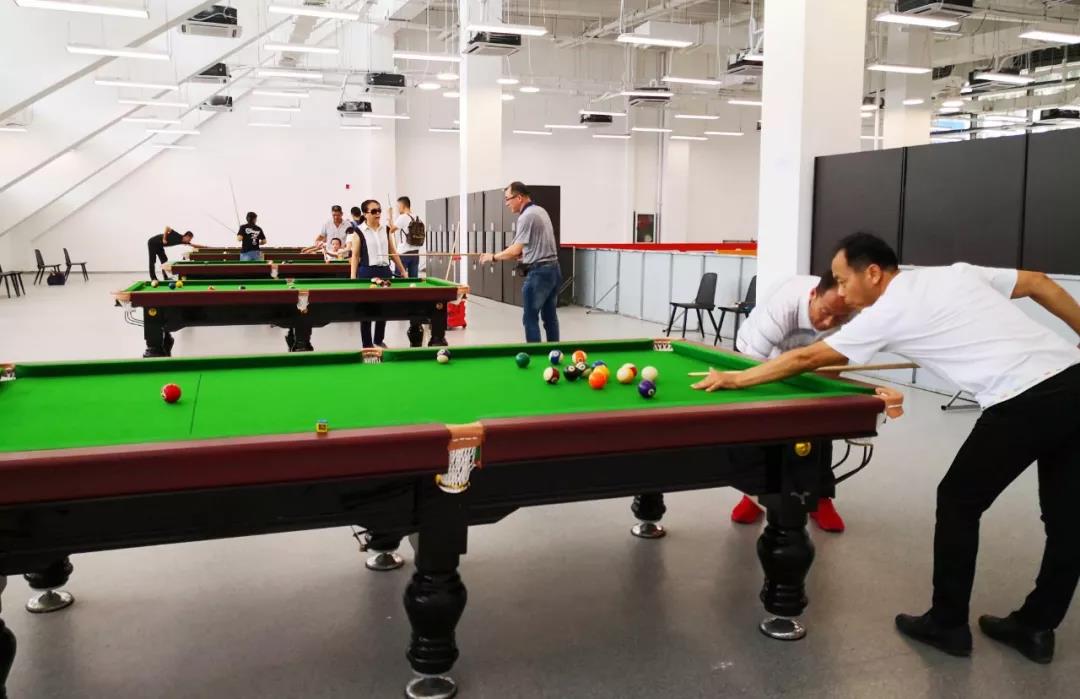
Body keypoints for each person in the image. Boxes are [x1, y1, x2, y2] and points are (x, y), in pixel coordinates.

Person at [693, 233, 1080, 663]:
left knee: (958, 502)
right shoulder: (956, 274)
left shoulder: (888, 310)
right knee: (1066, 518)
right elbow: (1040, 282)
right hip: (1073, 377)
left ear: (873, 273)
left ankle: (948, 624)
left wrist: (735, 379)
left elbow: (808, 358)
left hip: (1022, 396)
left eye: (844, 281)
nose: (841, 293)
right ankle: (1037, 627)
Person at [730, 271, 855, 532]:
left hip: (811, 362)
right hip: (762, 357)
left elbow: (835, 366)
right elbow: (752, 368)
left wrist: (817, 390)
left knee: (820, 422)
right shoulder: (783, 306)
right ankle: (753, 495)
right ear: (813, 295)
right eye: (825, 312)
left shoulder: (853, 312)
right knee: (761, 422)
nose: (828, 322)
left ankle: (820, 497)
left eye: (839, 318)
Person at [479, 181, 560, 343]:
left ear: (519, 198)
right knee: (549, 317)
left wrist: (492, 257)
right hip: (553, 271)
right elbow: (538, 245)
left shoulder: (527, 216)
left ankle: (535, 354)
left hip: (539, 274)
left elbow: (515, 250)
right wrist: (526, 255)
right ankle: (555, 351)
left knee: (530, 318)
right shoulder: (540, 210)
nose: (506, 203)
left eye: (508, 199)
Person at [348, 200, 409, 348]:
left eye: (379, 210)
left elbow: (392, 252)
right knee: (366, 310)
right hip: (367, 272)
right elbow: (355, 256)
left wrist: (402, 270)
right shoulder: (358, 231)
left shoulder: (386, 229)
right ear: (365, 214)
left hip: (385, 272)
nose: (378, 214)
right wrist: (353, 277)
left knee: (384, 308)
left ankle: (378, 339)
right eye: (374, 211)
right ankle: (367, 344)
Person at [392, 196, 424, 279]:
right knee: (413, 279)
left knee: (399, 279)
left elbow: (390, 230)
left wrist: (390, 216)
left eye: (398, 206)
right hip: (415, 254)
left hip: (403, 253)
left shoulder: (403, 217)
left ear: (402, 205)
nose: (398, 209)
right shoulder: (417, 217)